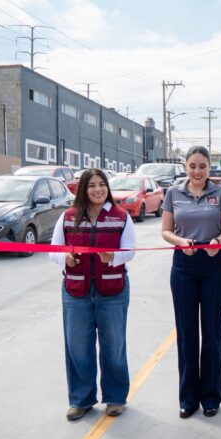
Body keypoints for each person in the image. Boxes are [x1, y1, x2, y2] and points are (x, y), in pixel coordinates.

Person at [49, 169, 135, 421]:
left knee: (114, 346)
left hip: (113, 291)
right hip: (76, 292)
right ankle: (81, 399)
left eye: (102, 185)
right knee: (77, 347)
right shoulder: (68, 217)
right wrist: (64, 258)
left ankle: (115, 397)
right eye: (92, 186)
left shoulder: (121, 217)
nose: (98, 190)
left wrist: (114, 257)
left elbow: (129, 250)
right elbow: (53, 249)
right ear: (82, 189)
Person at [161, 146, 221, 419]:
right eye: (192, 165)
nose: (197, 171)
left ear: (209, 167)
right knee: (187, 334)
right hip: (183, 265)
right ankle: (188, 398)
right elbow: (166, 230)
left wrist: (219, 241)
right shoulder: (173, 193)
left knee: (212, 334)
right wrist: (181, 242)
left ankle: (211, 397)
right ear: (185, 166)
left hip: (214, 263)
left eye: (202, 166)